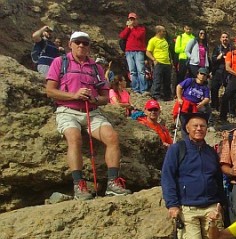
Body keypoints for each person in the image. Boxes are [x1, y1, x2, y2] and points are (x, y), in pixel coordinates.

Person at [45, 31, 131, 200]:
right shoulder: (60, 62)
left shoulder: (95, 67)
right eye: (78, 42)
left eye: (85, 43)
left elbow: (105, 97)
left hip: (92, 111)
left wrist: (95, 99)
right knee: (74, 138)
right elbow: (50, 91)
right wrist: (74, 95)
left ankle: (113, 183)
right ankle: (79, 185)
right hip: (67, 110)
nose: (81, 45)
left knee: (112, 137)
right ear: (70, 44)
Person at [161, 113, 226, 239]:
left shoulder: (210, 152)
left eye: (202, 126)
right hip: (187, 206)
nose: (199, 129)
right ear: (187, 128)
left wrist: (220, 203)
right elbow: (167, 177)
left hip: (211, 205)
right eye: (195, 126)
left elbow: (217, 179)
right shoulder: (177, 149)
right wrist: (172, 205)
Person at [146, 26, 172, 101]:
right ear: (158, 32)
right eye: (163, 31)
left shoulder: (164, 40)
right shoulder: (153, 40)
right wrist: (153, 59)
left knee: (167, 80)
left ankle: (167, 95)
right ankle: (155, 95)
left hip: (167, 63)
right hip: (159, 62)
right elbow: (148, 52)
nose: (165, 33)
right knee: (157, 79)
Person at [209, 32, 231, 114]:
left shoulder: (231, 49)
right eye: (223, 37)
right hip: (218, 70)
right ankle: (214, 106)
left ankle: (227, 108)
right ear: (220, 39)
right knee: (214, 88)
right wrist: (221, 55)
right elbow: (213, 59)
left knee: (228, 90)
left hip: (228, 71)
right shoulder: (217, 48)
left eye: (226, 37)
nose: (225, 39)